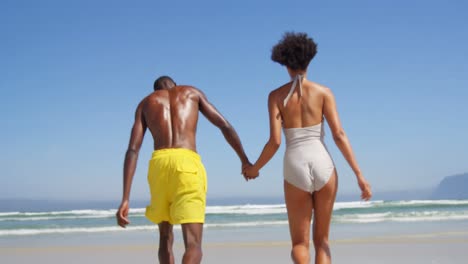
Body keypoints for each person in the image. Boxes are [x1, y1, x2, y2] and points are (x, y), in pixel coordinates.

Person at [243, 32, 372, 264]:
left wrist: (254, 168)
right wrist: (359, 175)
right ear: (310, 59)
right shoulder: (324, 93)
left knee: (299, 244)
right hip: (323, 163)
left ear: (284, 63)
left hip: (294, 166)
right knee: (322, 241)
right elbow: (339, 135)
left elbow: (274, 142)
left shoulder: (275, 96)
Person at [116, 76, 250, 264]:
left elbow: (132, 150)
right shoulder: (191, 92)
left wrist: (125, 198)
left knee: (165, 238)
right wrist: (244, 160)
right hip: (187, 163)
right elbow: (224, 125)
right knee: (193, 244)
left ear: (156, 91)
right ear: (175, 85)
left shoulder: (146, 103)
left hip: (159, 165)